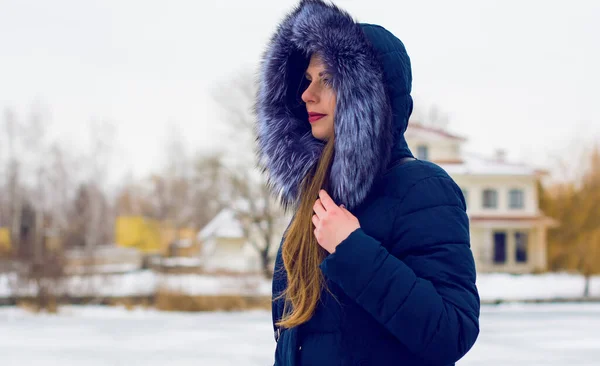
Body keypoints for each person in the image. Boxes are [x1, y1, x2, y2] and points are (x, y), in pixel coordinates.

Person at [256, 0, 480, 365]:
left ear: (366, 94)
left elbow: (451, 332)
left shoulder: (421, 188)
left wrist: (352, 249)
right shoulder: (315, 202)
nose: (307, 94)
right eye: (307, 79)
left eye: (327, 79)